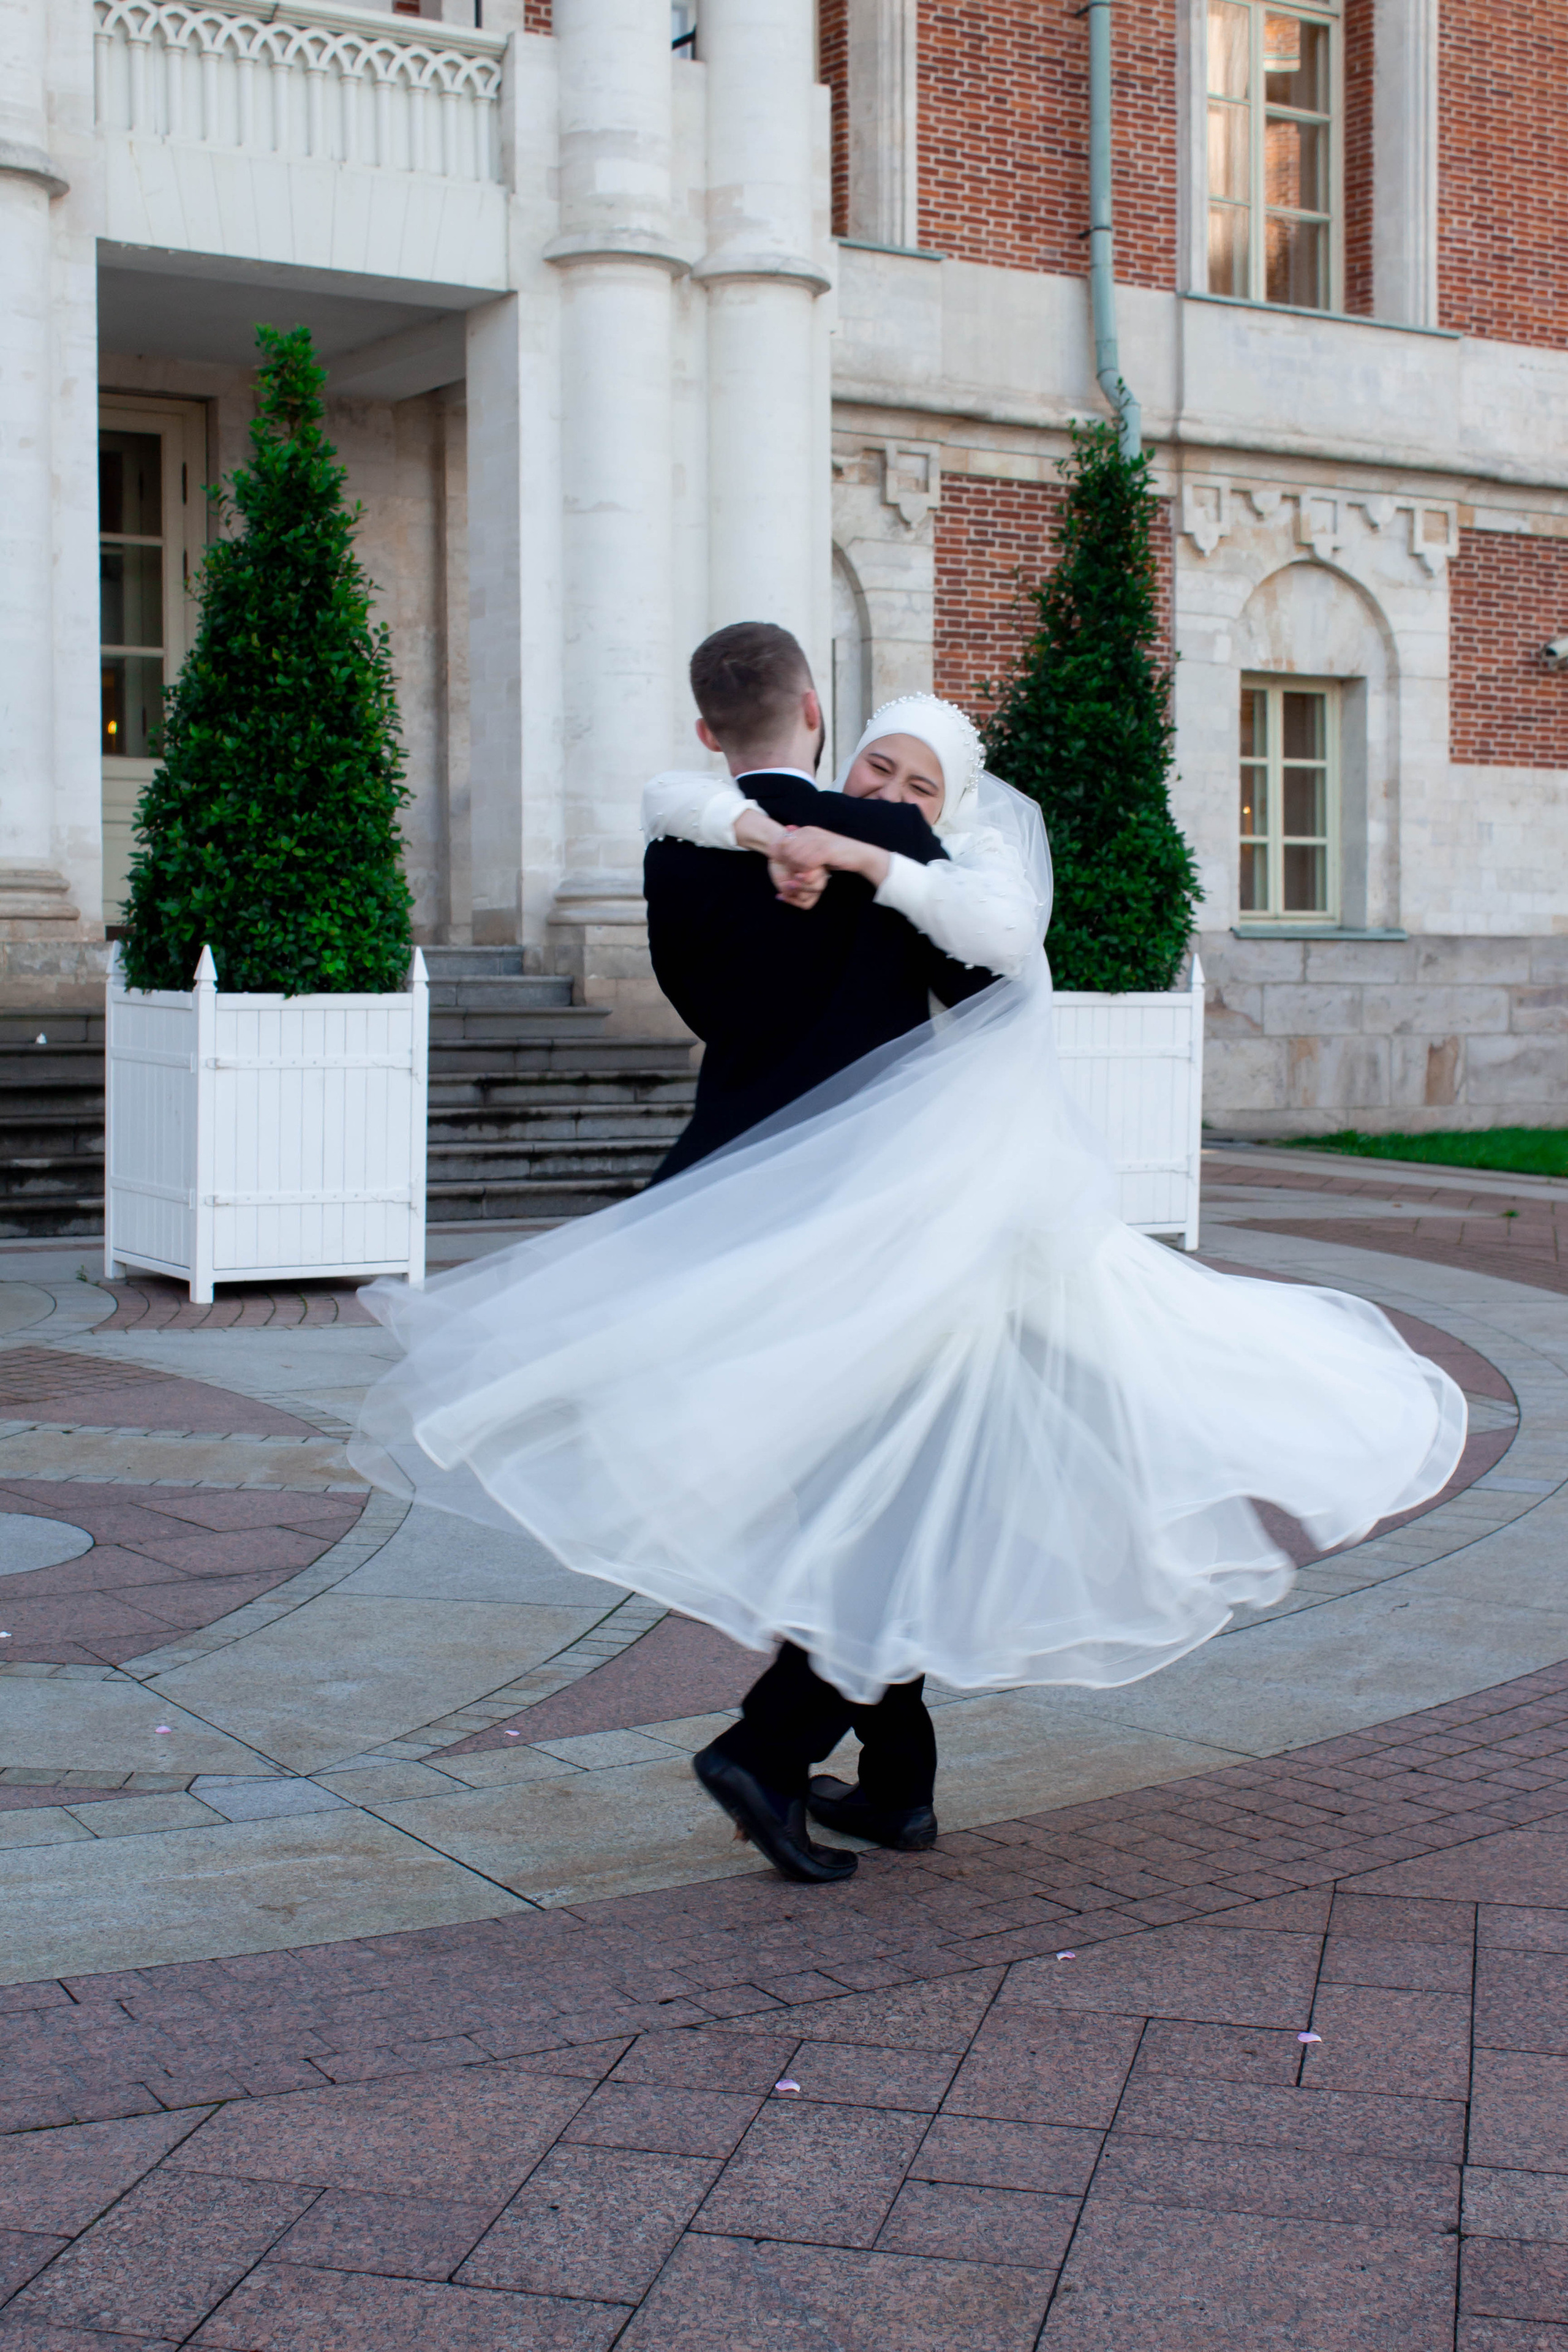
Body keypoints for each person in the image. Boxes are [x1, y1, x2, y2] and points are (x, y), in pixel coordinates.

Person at [350, 633, 1466, 1892]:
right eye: (875, 765)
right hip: (865, 1226)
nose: (887, 793)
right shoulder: (815, 843)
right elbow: (791, 842)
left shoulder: (775, 853)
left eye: (917, 783)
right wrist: (836, 841)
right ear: (824, 724)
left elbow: (987, 937)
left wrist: (846, 844)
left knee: (895, 1493)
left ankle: (895, 1788)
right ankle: (770, 1754)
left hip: (842, 1218)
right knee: (904, 1503)